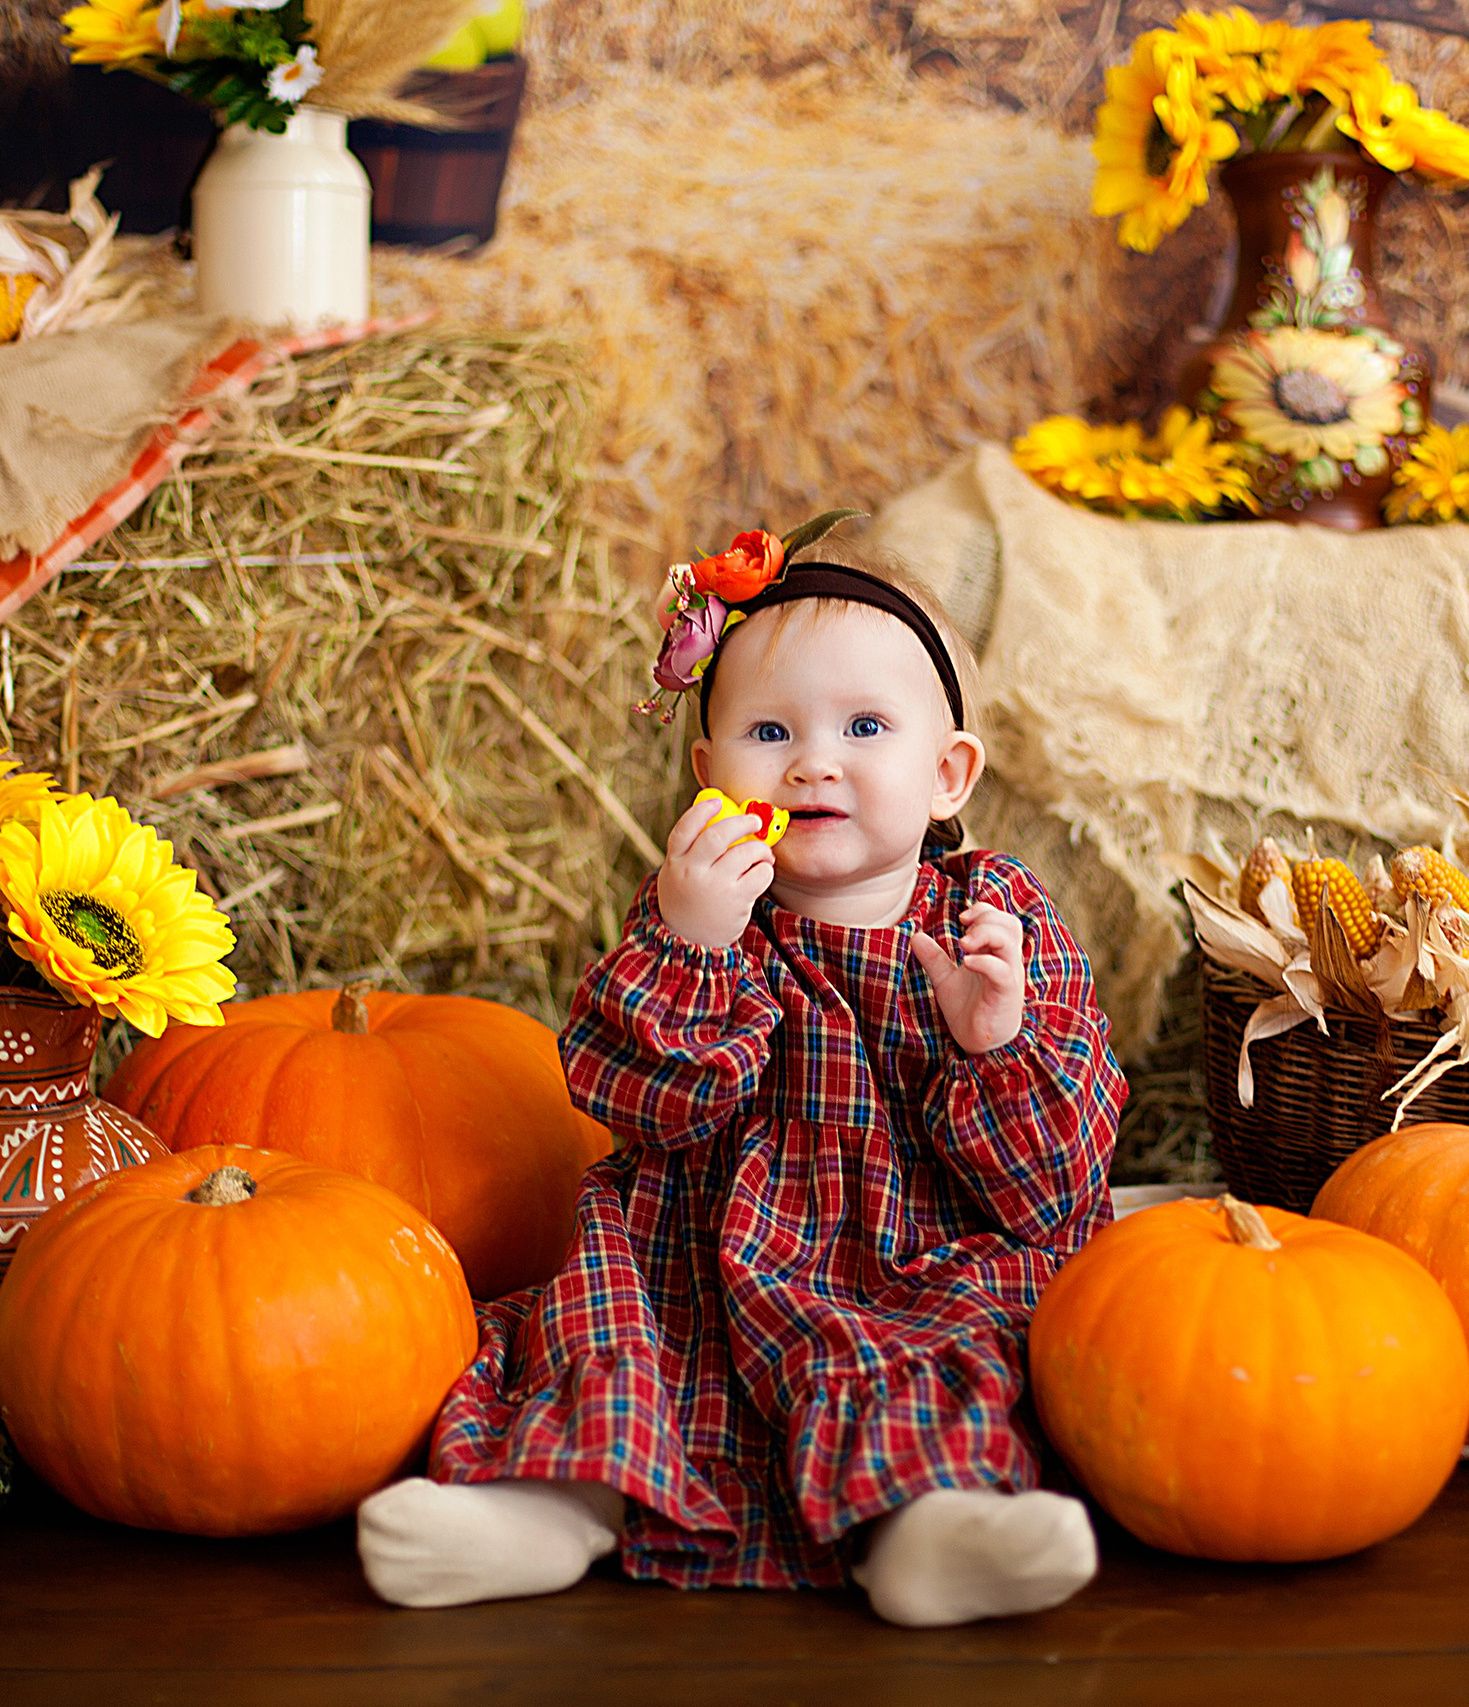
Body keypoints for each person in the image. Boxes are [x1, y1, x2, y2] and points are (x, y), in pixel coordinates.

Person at [357, 527, 1126, 1627]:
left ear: (946, 774)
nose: (814, 762)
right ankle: (551, 1505)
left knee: (954, 1340)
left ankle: (925, 1524)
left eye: (866, 727)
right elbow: (631, 1099)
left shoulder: (995, 920)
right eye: (771, 731)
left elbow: (1055, 1192)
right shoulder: (701, 908)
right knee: (609, 1324)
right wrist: (693, 944)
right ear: (708, 773)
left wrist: (994, 1044)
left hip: (917, 1254)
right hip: (699, 1251)